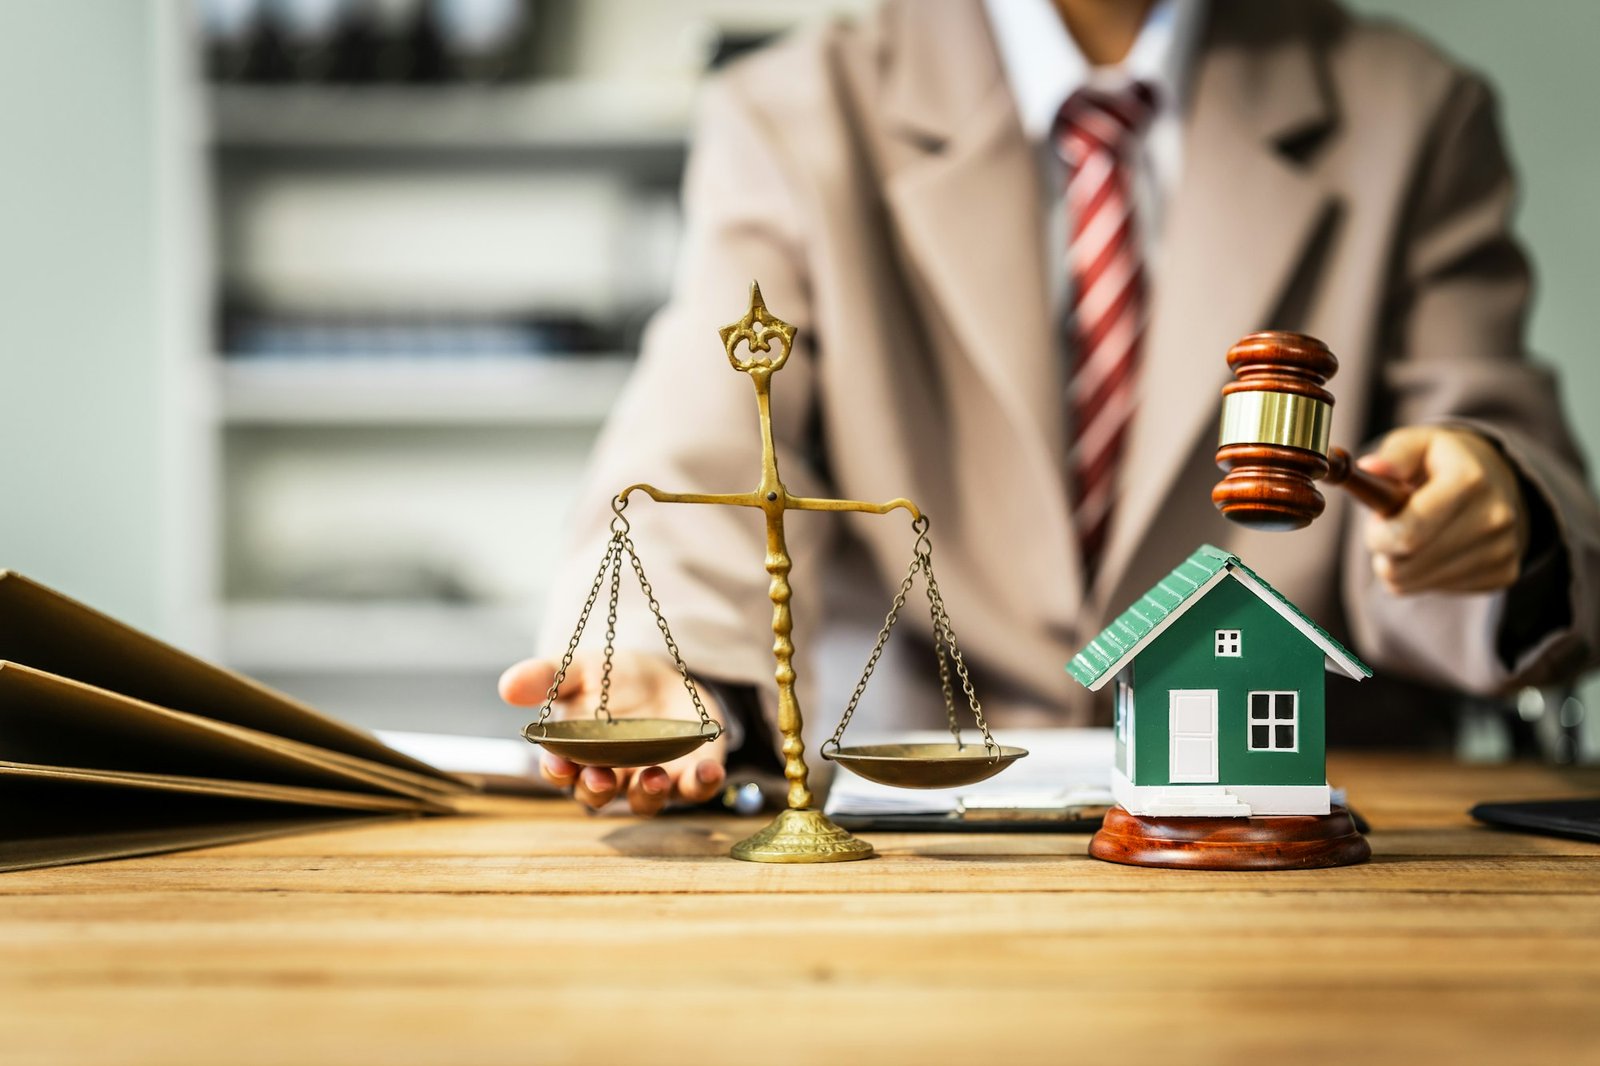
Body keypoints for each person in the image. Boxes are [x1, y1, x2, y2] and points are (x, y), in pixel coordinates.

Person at [500, 0, 1600, 815]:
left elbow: (1491, 445)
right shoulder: (790, 113)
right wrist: (661, 657)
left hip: (1293, 807)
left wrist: (1500, 525)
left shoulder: (1411, 112)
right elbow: (707, 431)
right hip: (919, 818)